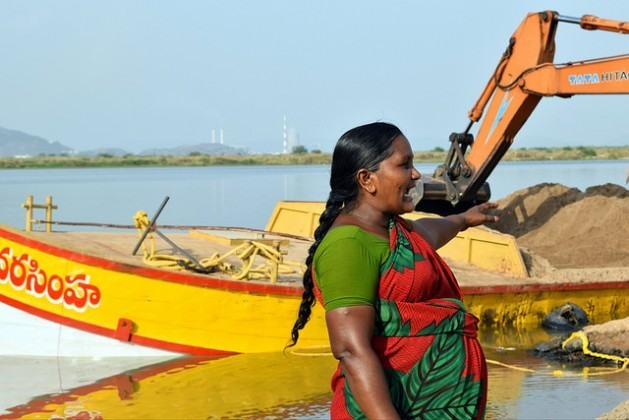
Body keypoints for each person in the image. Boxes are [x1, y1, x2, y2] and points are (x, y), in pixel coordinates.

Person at [288, 122, 496, 419]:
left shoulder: (395, 232)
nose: (415, 174)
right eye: (404, 164)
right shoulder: (348, 244)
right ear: (367, 179)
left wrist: (464, 219)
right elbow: (350, 349)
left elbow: (432, 230)